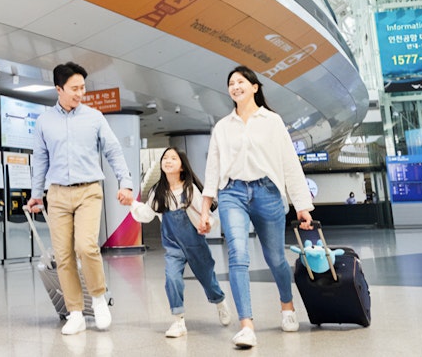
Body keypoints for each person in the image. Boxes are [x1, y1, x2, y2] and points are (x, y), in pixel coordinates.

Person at [199, 65, 314, 349]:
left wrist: (302, 205)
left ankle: (287, 306)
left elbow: (289, 163)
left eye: (241, 81)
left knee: (275, 257)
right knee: (237, 254)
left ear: (255, 87)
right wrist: (204, 209)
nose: (235, 86)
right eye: (231, 83)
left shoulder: (272, 121)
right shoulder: (222, 126)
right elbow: (212, 168)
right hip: (232, 193)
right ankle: (246, 326)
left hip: (267, 192)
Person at [28, 62, 135, 335]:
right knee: (63, 255)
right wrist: (36, 195)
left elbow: (113, 150)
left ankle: (98, 298)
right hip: (57, 194)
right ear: (59, 89)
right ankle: (75, 312)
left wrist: (126, 182)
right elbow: (40, 160)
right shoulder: (44, 121)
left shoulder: (94, 117)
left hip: (89, 190)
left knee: (86, 247)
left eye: (82, 87)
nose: (80, 93)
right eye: (74, 88)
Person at [130, 147, 233, 337]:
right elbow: (146, 214)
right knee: (172, 278)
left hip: (195, 244)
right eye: (165, 158)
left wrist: (207, 224)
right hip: (173, 246)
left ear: (182, 167)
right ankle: (178, 321)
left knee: (207, 278)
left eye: (173, 158)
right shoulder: (158, 191)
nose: (168, 161)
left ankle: (219, 302)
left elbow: (205, 215)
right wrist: (132, 203)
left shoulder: (190, 189)